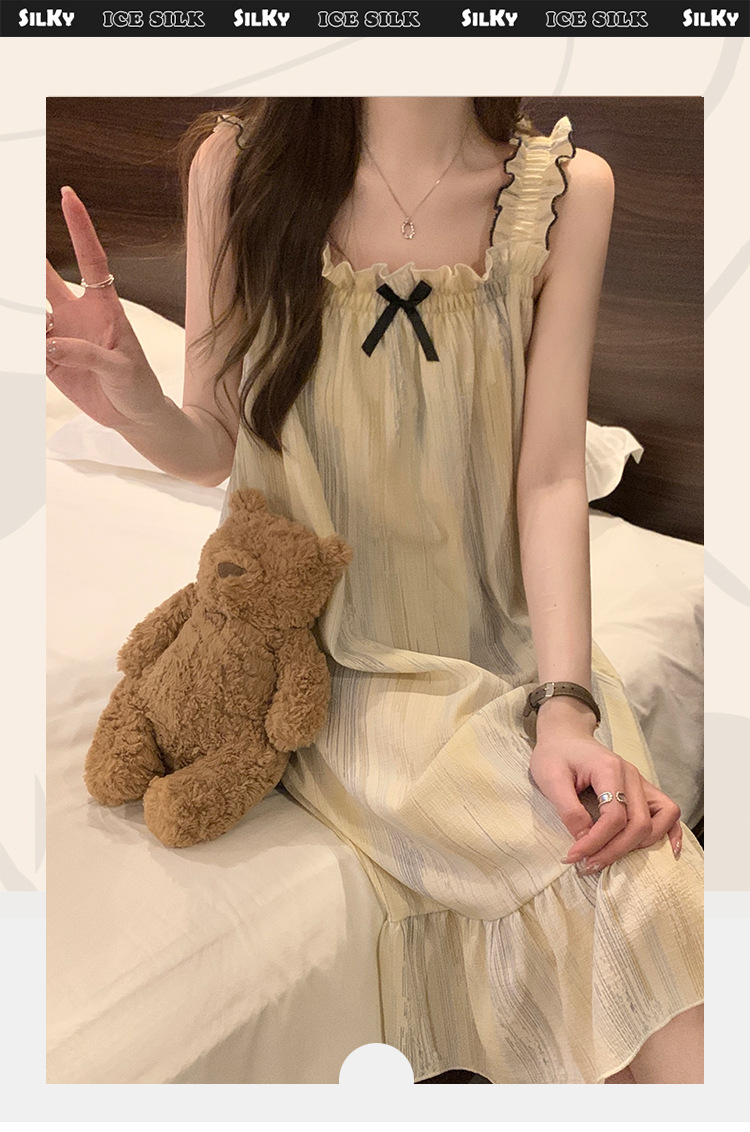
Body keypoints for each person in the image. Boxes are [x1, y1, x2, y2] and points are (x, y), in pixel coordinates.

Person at [45, 96, 704, 1085]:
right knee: (614, 884)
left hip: (504, 646)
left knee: (640, 875)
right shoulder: (235, 168)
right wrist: (135, 408)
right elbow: (213, 441)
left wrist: (566, 704)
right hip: (325, 657)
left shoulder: (569, 194)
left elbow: (550, 476)